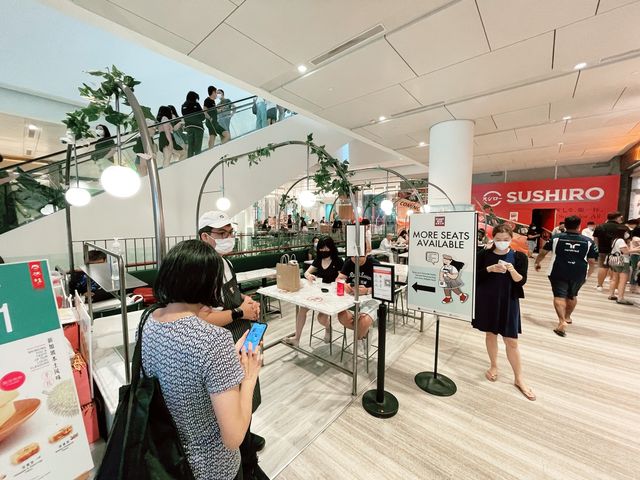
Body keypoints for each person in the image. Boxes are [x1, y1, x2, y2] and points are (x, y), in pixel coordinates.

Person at [141, 240, 261, 480]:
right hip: (211, 468)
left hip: (164, 452)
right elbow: (234, 436)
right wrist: (249, 376)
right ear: (210, 285)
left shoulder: (148, 320)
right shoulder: (213, 340)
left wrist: (227, 358)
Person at [196, 211, 269, 480]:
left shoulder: (225, 263)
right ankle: (245, 460)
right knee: (231, 400)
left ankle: (246, 438)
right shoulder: (202, 271)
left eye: (230, 233)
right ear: (205, 237)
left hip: (241, 338)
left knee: (249, 394)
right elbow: (202, 318)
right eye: (222, 234)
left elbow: (232, 296)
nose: (229, 239)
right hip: (222, 344)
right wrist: (241, 313)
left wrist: (246, 302)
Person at [472, 224, 534, 401]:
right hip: (487, 300)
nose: (501, 243)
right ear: (493, 238)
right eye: (498, 240)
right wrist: (490, 269)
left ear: (511, 238)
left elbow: (520, 282)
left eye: (505, 240)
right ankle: (493, 365)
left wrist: (512, 269)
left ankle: (519, 377)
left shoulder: (519, 256)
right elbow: (474, 275)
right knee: (490, 334)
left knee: (511, 340)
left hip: (508, 301)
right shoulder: (483, 254)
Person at [534, 216, 598, 337]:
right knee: (572, 295)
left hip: (558, 271)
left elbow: (543, 252)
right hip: (579, 273)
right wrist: (588, 274)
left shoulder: (556, 238)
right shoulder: (588, 241)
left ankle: (562, 320)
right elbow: (592, 261)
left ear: (565, 226)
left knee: (559, 296)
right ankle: (568, 317)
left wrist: (537, 262)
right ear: (579, 226)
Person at [284, 237, 344, 346]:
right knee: (302, 310)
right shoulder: (318, 260)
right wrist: (309, 276)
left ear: (331, 248)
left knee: (321, 318)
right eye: (322, 249)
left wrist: (337, 282)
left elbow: (342, 278)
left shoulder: (338, 261)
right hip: (317, 290)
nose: (324, 251)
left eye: (326, 248)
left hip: (331, 294)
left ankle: (328, 327)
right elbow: (306, 273)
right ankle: (297, 338)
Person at [337, 250, 379, 350]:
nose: (354, 259)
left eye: (358, 256)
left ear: (366, 253)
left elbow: (385, 287)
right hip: (351, 299)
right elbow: (339, 279)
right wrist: (344, 285)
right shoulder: (349, 263)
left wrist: (367, 290)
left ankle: (358, 339)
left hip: (370, 299)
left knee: (363, 320)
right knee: (341, 316)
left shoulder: (375, 264)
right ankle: (365, 331)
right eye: (352, 256)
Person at [607, 226, 639, 305]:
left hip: (614, 260)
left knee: (614, 278)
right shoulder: (621, 240)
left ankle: (611, 295)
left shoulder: (615, 240)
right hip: (623, 261)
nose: (627, 234)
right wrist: (637, 249)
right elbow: (626, 252)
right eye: (626, 232)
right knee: (623, 280)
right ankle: (620, 298)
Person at [593, 211, 624, 291]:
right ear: (617, 218)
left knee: (603, 267)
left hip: (602, 250)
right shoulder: (622, 227)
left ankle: (599, 286)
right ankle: (616, 288)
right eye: (620, 217)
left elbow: (595, 238)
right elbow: (626, 240)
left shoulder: (600, 226)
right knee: (616, 269)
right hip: (617, 252)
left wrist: (597, 247)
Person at [181, 91, 205, 157]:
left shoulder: (183, 106)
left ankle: (190, 161)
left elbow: (185, 116)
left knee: (190, 147)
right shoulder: (196, 104)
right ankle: (197, 161)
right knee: (198, 147)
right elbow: (203, 117)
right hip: (198, 127)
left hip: (188, 128)